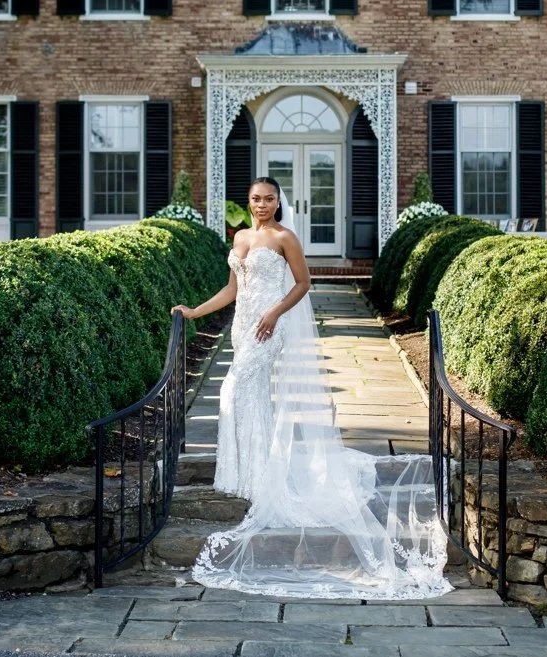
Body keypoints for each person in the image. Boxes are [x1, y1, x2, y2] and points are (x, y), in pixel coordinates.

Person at [171, 177, 451, 600]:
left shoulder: (285, 238)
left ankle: (256, 477)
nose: (262, 204)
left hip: (269, 329)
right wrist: (194, 311)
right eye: (255, 199)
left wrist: (274, 314)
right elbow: (233, 289)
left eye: (268, 199)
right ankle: (250, 472)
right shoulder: (242, 236)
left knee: (232, 390)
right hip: (243, 328)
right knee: (247, 398)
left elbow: (302, 284)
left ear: (278, 201)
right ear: (248, 202)